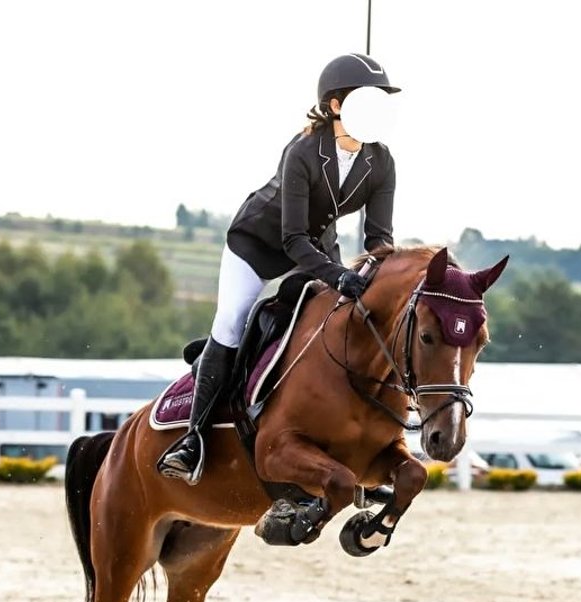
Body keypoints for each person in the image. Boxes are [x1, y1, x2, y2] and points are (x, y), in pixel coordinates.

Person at [157, 53, 400, 485]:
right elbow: (292, 239)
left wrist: (382, 276)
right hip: (260, 243)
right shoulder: (304, 150)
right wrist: (337, 274)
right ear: (337, 104)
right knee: (232, 322)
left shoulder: (381, 161)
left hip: (318, 249)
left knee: (336, 321)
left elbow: (379, 237)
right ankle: (193, 440)